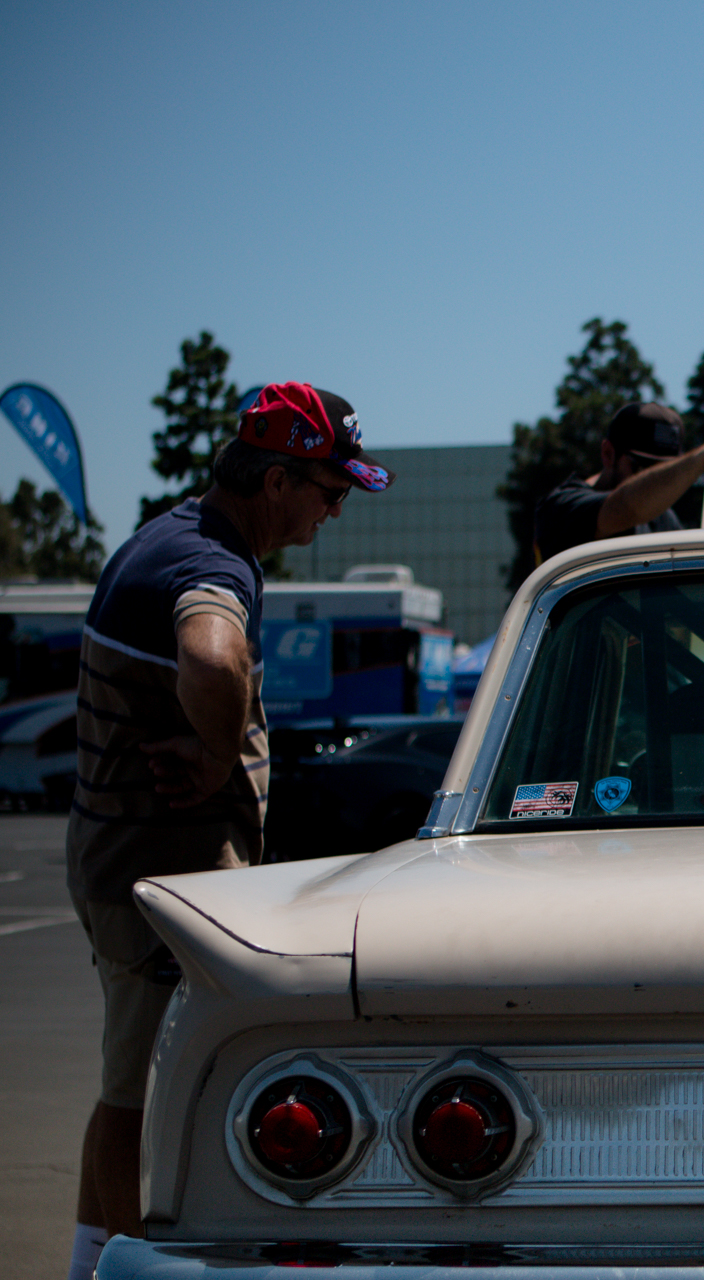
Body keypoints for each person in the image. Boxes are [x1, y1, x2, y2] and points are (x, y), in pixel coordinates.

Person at [65, 383, 388, 1279]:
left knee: (126, 1090)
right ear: (277, 479)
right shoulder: (209, 563)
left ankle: (92, 1260)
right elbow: (212, 653)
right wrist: (216, 753)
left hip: (124, 866)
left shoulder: (175, 535)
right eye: (329, 490)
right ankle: (127, 1267)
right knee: (149, 1101)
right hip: (156, 877)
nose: (335, 509)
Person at [533, 402, 704, 561]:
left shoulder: (662, 520)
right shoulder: (563, 508)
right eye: (643, 468)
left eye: (664, 470)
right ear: (608, 454)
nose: (655, 481)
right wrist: (700, 457)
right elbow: (623, 509)